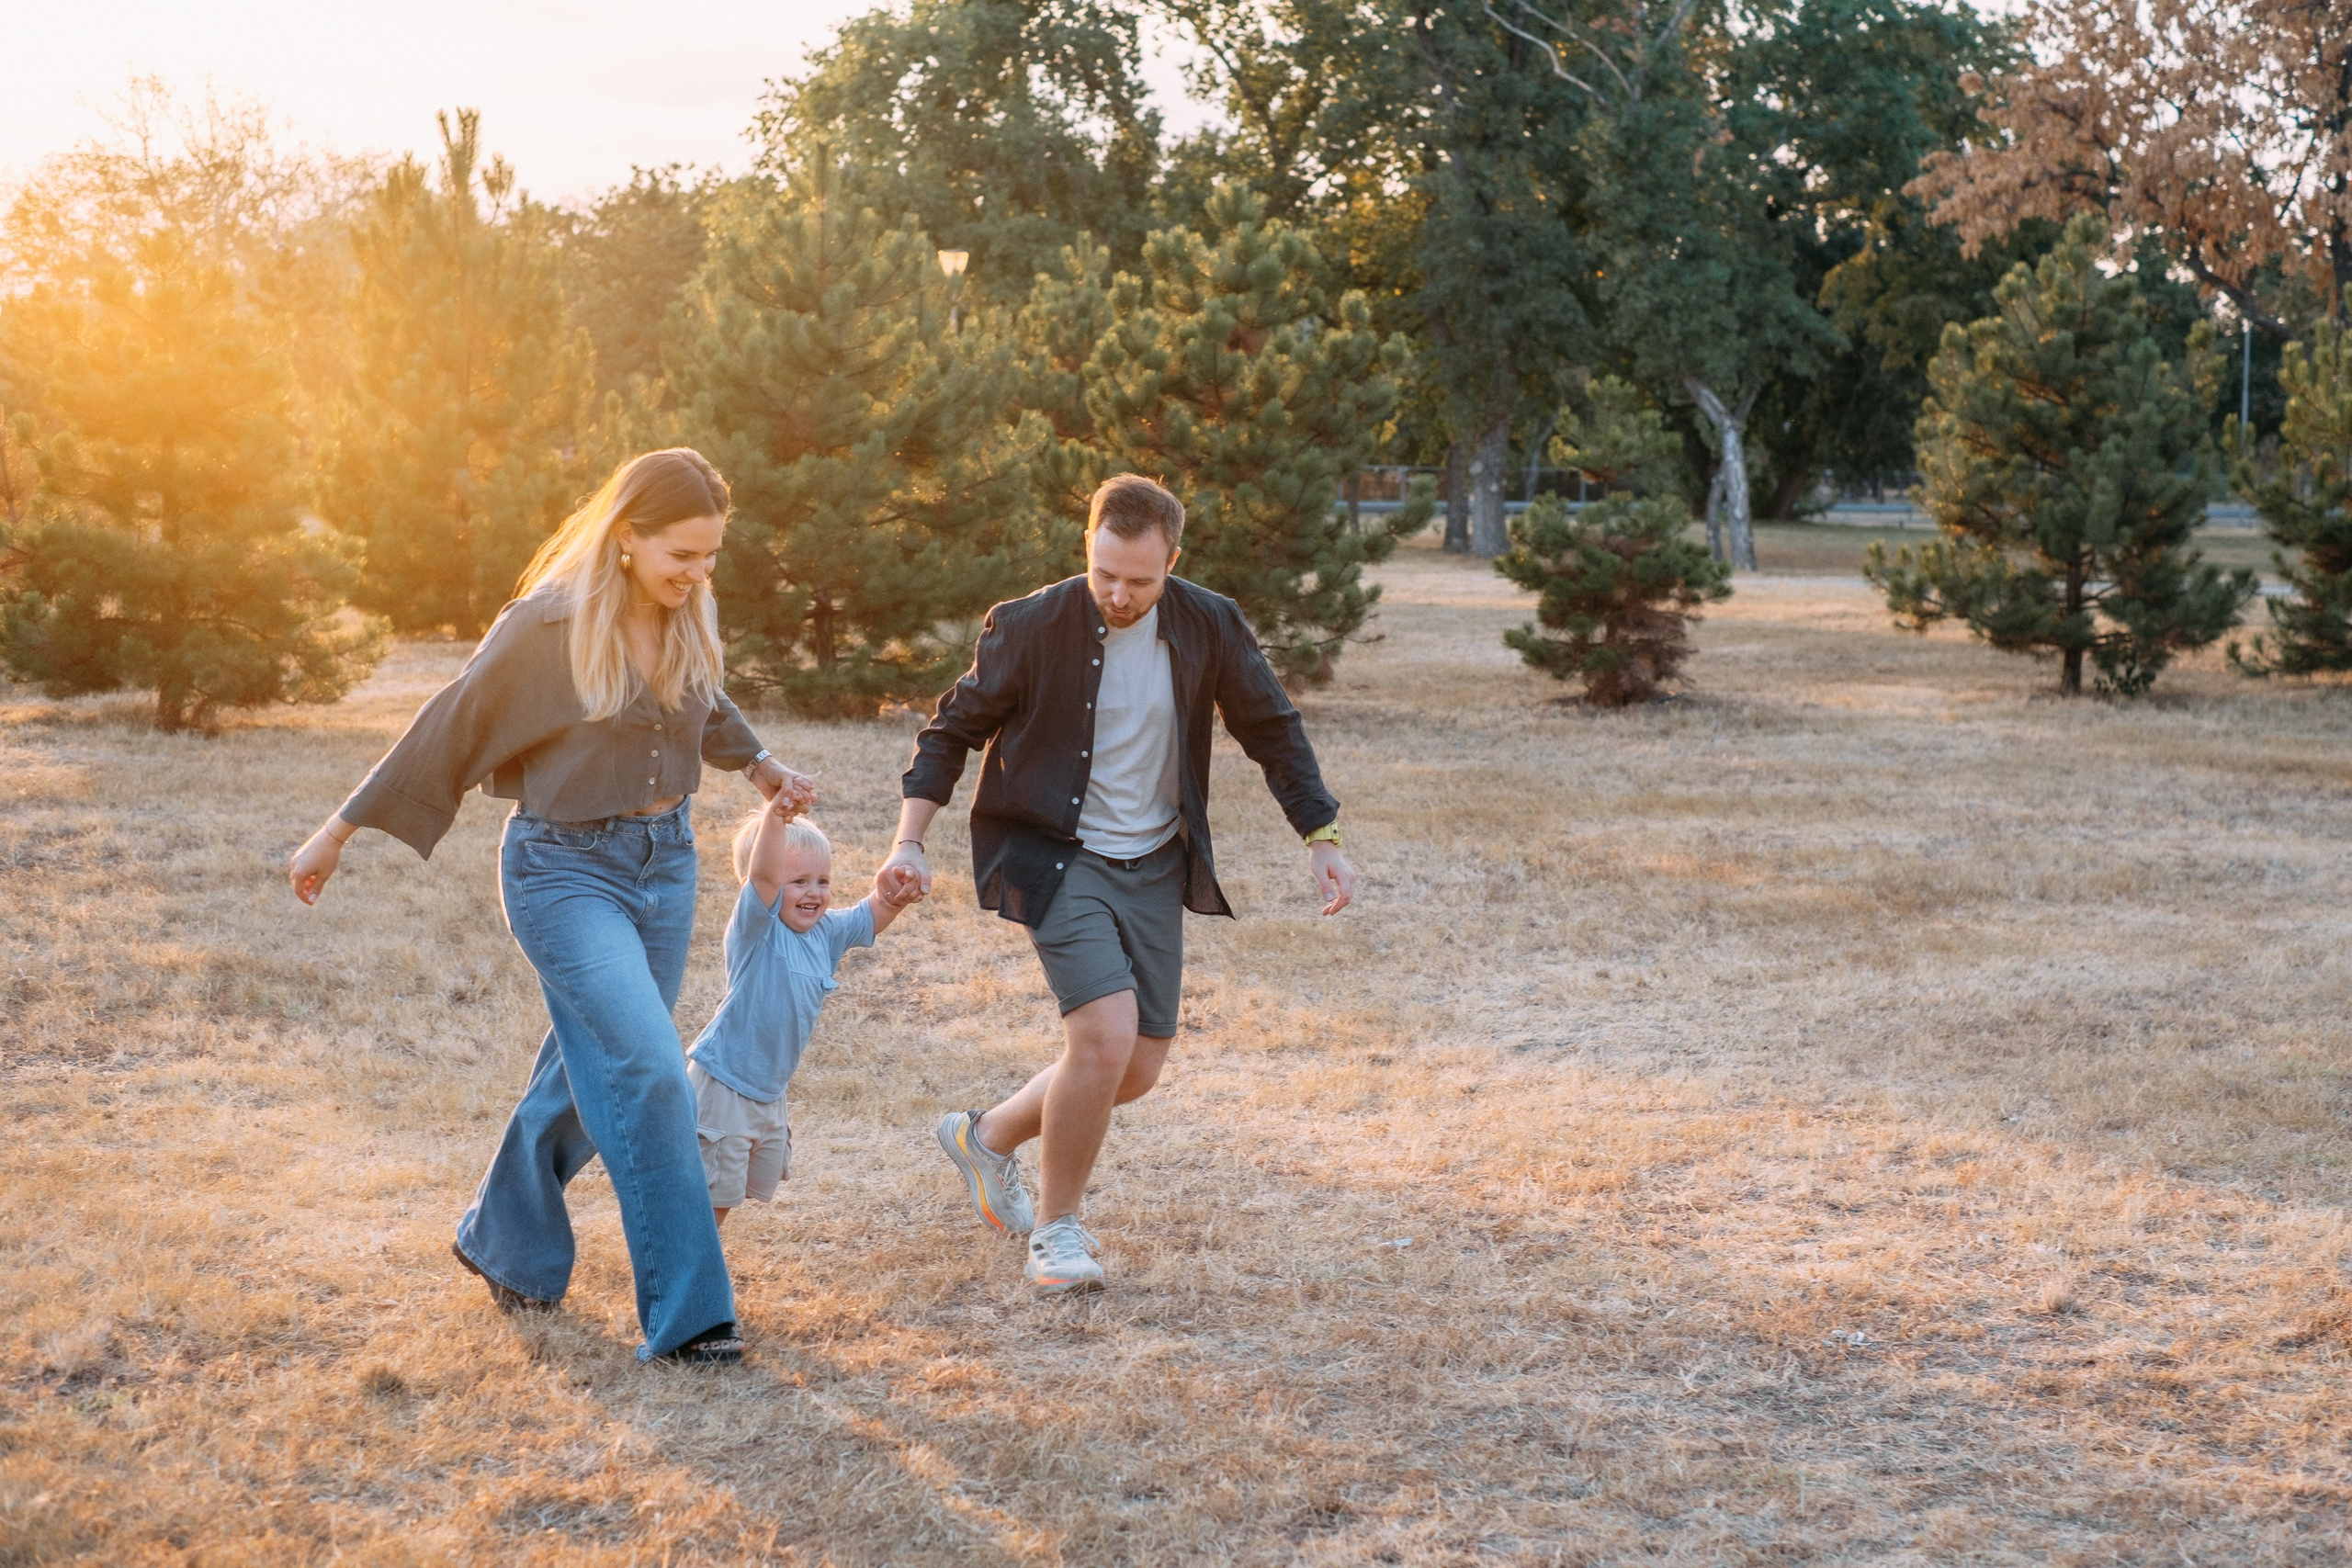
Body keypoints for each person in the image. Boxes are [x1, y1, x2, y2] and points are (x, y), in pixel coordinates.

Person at [286, 448, 816, 1365]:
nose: (696, 576)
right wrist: (340, 829)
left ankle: (501, 1240)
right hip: (563, 871)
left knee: (582, 1069)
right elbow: (452, 719)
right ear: (625, 540)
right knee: (649, 1067)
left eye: (709, 558)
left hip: (667, 861)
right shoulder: (546, 627)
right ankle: (692, 1316)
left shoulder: (683, 619)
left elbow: (701, 700)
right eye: (679, 557)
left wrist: (760, 763)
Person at [889, 473, 1358, 1294]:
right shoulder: (1033, 622)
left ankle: (986, 1135)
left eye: (1140, 579)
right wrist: (910, 841)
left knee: (1135, 1066)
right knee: (1102, 1039)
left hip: (1154, 861)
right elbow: (951, 729)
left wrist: (1320, 833)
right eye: (1106, 572)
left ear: (1172, 560)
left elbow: (1270, 726)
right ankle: (1057, 1232)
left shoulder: (1209, 621)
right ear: (1089, 549)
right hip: (1053, 853)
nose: (1118, 592)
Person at [684, 796, 926, 1227]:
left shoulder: (826, 932)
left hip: (768, 1088)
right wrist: (775, 814)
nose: (814, 893)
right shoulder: (755, 928)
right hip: (724, 1084)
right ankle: (693, 1277)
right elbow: (762, 877)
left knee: (735, 1189)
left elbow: (875, 911)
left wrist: (897, 890)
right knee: (711, 1199)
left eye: (822, 881)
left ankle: (697, 1267)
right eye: (798, 881)